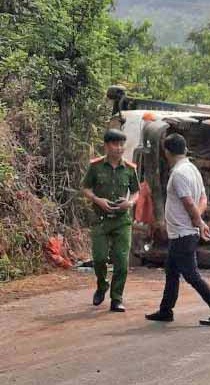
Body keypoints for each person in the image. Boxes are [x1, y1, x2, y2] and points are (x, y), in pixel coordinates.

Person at [145, 133, 210, 326]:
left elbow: (189, 203)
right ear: (184, 150)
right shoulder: (192, 169)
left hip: (183, 234)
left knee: (191, 275)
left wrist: (198, 222)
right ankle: (166, 310)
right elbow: (203, 199)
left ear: (166, 152)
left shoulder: (179, 174)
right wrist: (199, 220)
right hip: (183, 233)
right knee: (171, 271)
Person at [81, 129, 140, 312]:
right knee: (99, 259)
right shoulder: (96, 166)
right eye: (115, 144)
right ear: (106, 146)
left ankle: (117, 298)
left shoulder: (130, 169)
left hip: (122, 221)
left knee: (122, 262)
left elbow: (137, 192)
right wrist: (97, 200)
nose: (119, 148)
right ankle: (102, 285)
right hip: (100, 219)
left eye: (122, 144)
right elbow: (85, 188)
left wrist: (129, 203)